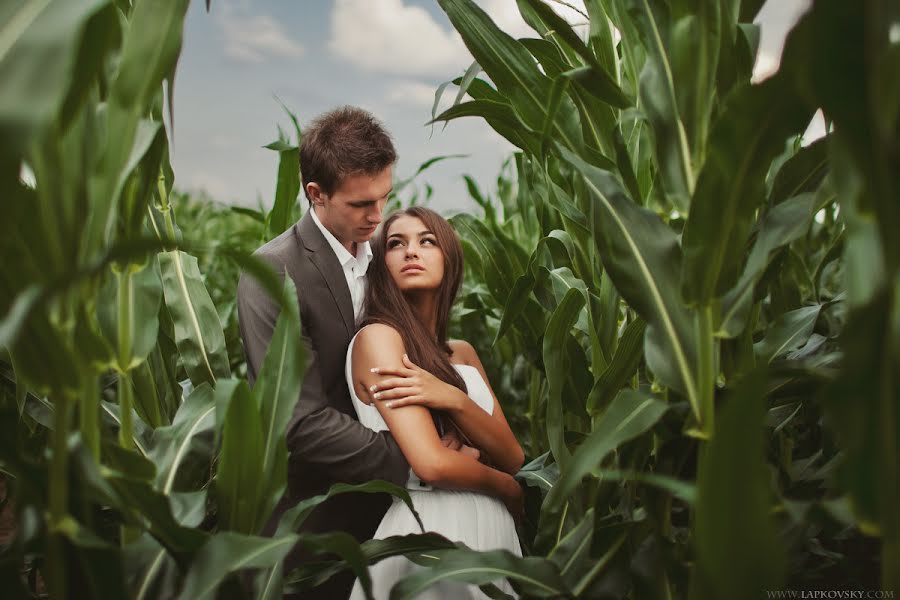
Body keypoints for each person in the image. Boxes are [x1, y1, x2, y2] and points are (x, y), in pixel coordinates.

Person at [237, 107, 469, 599]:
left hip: (406, 526)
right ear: (315, 194)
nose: (378, 216)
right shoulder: (275, 272)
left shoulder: (390, 256)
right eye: (362, 204)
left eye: (385, 197)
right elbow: (298, 420)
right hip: (321, 529)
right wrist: (417, 459)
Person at [346, 207, 525, 599]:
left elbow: (512, 454)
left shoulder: (462, 353)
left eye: (427, 241)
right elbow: (431, 463)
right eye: (396, 244)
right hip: (428, 537)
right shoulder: (380, 339)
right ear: (380, 264)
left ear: (450, 257)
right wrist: (507, 488)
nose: (412, 251)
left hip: (492, 537)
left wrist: (453, 399)